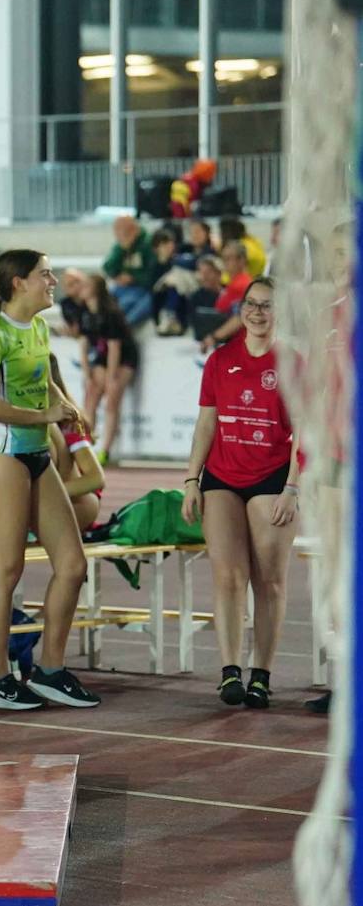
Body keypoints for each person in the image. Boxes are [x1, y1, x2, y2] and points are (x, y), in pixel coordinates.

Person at [0, 249, 99, 711]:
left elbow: (43, 381)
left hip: (36, 454)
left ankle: (49, 670)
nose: (54, 281)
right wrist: (45, 414)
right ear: (19, 282)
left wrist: (67, 404)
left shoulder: (39, 328)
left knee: (73, 565)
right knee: (7, 568)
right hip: (2, 458)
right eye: (45, 274)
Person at [181, 278, 298, 709]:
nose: (257, 312)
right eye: (251, 304)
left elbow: (305, 433)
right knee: (228, 576)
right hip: (222, 477)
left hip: (272, 478)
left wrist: (292, 487)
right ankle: (230, 670)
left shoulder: (293, 364)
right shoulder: (220, 360)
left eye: (267, 306)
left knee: (269, 581)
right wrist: (192, 480)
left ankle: (262, 674)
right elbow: (206, 424)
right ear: (241, 309)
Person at [77, 277, 139, 465]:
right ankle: (85, 446)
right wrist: (87, 373)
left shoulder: (110, 313)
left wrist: (112, 377)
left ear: (97, 290)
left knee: (112, 399)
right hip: (103, 356)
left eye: (86, 285)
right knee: (92, 394)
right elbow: (84, 344)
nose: (82, 288)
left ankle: (105, 450)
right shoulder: (85, 312)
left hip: (124, 357)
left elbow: (115, 348)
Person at [48, 356, 105, 530]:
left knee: (46, 429)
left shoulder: (70, 423)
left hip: (78, 503)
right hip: (45, 505)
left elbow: (96, 479)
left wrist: (49, 495)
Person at [101, 216, 157, 327]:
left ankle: (123, 328)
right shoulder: (121, 245)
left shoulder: (148, 244)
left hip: (143, 289)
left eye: (121, 231)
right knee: (102, 300)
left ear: (134, 229)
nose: (117, 235)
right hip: (122, 288)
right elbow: (108, 267)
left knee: (128, 304)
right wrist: (122, 250)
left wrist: (133, 278)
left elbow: (153, 274)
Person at [200, 240, 253, 351]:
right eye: (223, 258)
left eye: (229, 258)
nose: (225, 263)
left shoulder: (241, 285)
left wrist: (214, 337)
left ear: (241, 260)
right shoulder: (233, 284)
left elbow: (239, 318)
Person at [150, 228, 198, 336]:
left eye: (171, 243)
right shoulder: (154, 266)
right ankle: (168, 317)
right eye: (164, 243)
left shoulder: (179, 261)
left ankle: (174, 319)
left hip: (182, 299)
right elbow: (154, 288)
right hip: (161, 300)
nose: (169, 246)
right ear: (156, 248)